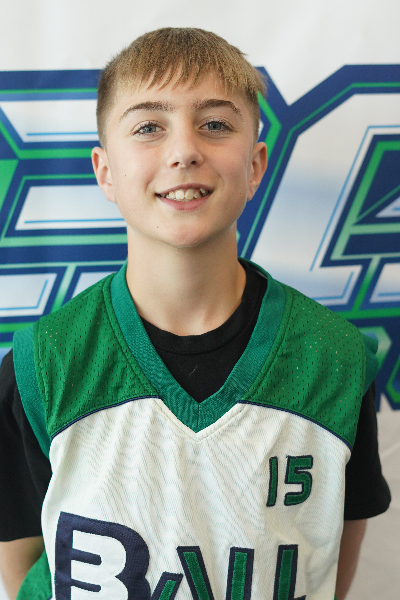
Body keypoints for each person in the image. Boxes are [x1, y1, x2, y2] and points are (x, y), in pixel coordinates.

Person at [0, 27, 390, 600]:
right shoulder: (43, 364)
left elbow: (330, 556)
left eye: (215, 124)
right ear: (105, 171)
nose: (184, 150)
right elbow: (22, 561)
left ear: (255, 165)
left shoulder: (335, 359)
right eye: (148, 127)